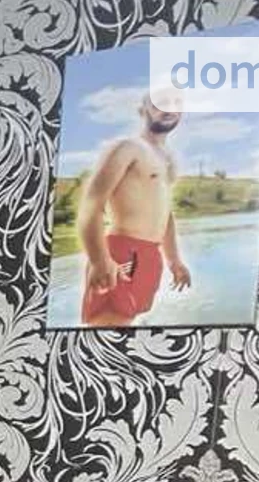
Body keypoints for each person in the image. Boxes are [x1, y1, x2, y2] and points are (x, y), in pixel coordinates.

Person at [77, 87, 195, 326]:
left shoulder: (168, 159)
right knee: (109, 328)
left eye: (176, 103)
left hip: (149, 255)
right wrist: (100, 260)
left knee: (127, 325)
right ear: (143, 110)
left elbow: (164, 214)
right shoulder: (127, 148)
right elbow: (91, 205)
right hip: (121, 251)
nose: (169, 108)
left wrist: (174, 260)